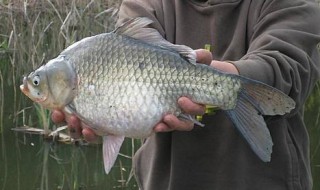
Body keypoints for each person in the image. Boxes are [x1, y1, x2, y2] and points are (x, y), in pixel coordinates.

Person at [52, 0, 320, 189]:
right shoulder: (147, 4)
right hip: (166, 181)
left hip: (264, 181)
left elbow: (290, 69)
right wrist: (105, 119)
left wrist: (211, 80)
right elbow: (127, 60)